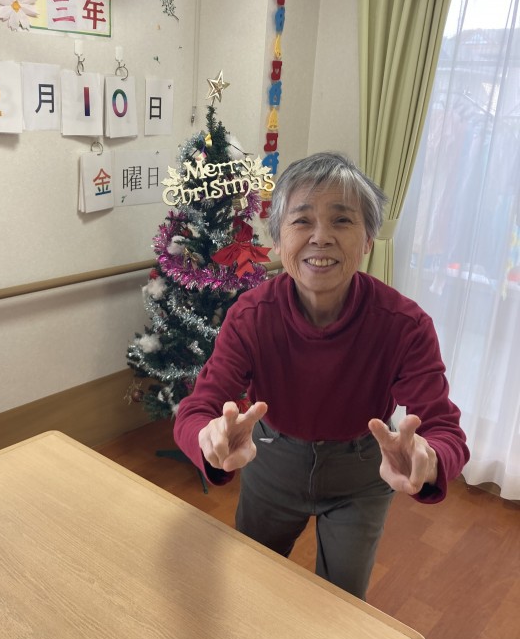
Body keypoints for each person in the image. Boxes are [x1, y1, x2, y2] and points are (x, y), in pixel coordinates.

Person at [173, 152, 469, 600]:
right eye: (301, 221)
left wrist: (430, 459)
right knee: (249, 584)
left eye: (342, 221)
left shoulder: (405, 325)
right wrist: (207, 437)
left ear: (368, 239)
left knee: (342, 604)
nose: (321, 237)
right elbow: (196, 410)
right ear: (278, 239)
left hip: (362, 472)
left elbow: (445, 430)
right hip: (271, 462)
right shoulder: (251, 316)